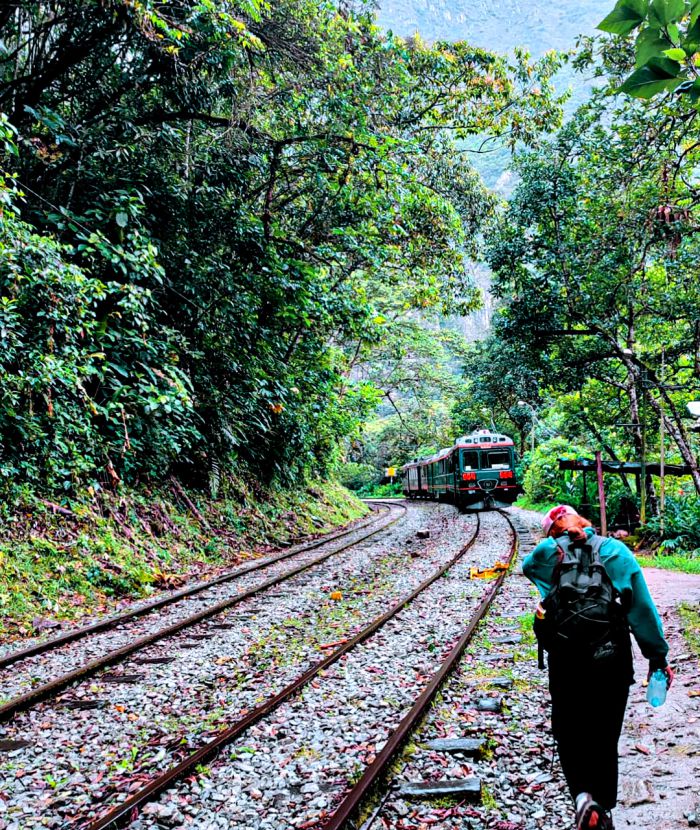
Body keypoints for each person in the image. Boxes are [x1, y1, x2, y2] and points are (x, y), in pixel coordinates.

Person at [523, 505, 673, 830]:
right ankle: (602, 807)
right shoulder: (615, 551)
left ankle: (582, 798)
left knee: (569, 731)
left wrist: (556, 544)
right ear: (584, 522)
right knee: (605, 735)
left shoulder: (547, 554)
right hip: (611, 659)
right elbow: (642, 611)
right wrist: (657, 657)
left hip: (566, 661)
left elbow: (528, 567)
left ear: (552, 530)